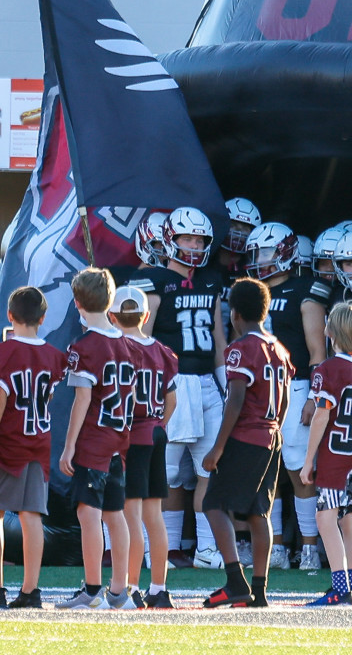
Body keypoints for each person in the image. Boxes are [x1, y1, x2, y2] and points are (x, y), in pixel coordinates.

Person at [128, 207, 226, 570]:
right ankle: (159, 551)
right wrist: (147, 387)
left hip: (205, 383)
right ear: (171, 239)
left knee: (209, 469)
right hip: (172, 382)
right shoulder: (153, 280)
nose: (194, 244)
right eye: (187, 238)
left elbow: (218, 338)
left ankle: (205, 549)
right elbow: (143, 339)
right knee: (164, 473)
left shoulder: (211, 281)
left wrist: (224, 382)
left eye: (199, 239)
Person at [201, 277, 292, 609]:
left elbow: (235, 399)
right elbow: (284, 401)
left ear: (235, 314)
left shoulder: (241, 348)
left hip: (246, 435)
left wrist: (218, 448)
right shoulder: (279, 348)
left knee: (213, 504)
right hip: (271, 436)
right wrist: (276, 430)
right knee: (258, 511)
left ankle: (237, 582)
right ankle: (259, 589)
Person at [246, 222, 331, 572]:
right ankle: (276, 546)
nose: (260, 260)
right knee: (265, 470)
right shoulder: (251, 291)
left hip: (296, 386)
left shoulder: (305, 290)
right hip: (262, 387)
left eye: (266, 252)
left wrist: (315, 394)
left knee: (299, 468)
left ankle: (309, 546)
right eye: (257, 254)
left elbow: (317, 350)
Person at [0, 286, 68, 610]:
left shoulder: (1, 354)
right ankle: (31, 589)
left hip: (10, 441)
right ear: (42, 319)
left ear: (10, 316)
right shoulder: (55, 356)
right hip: (39, 441)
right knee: (32, 515)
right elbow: (48, 397)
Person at [57, 268, 138, 610]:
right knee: (115, 515)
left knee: (89, 515)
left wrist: (69, 445)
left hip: (94, 440)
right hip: (119, 438)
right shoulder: (127, 341)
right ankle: (120, 589)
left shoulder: (84, 346)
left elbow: (83, 399)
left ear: (77, 302)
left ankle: (92, 589)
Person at [300, 302, 352, 606]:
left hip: (336, 454)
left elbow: (322, 415)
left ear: (330, 332)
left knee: (325, 518)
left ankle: (341, 586)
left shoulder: (329, 369)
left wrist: (309, 460)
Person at [109, 285, 180, 609]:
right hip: (155, 431)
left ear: (112, 316)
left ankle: (132, 587)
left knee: (132, 516)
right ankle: (158, 587)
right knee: (154, 516)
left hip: (132, 435)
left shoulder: (117, 349)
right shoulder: (162, 351)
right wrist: (160, 424)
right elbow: (171, 399)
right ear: (145, 315)